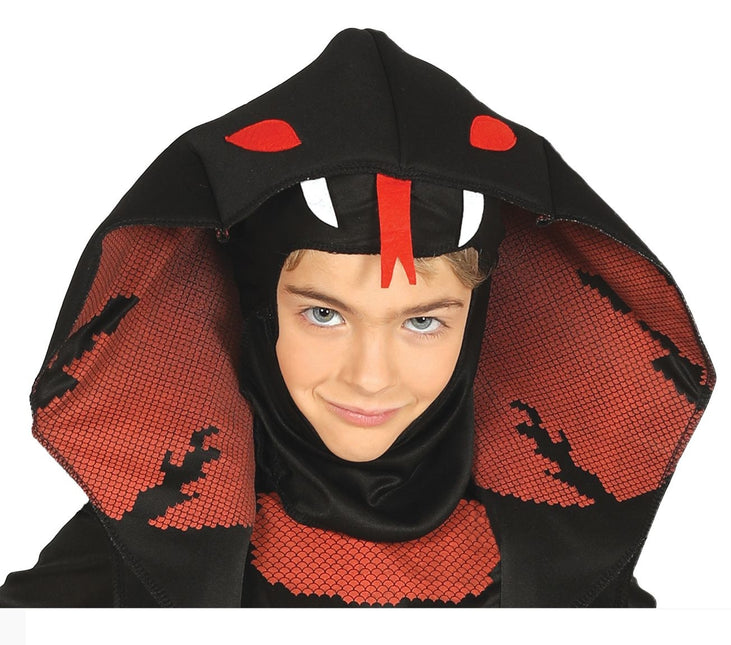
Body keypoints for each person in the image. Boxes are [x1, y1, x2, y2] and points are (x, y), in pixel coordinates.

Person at [0, 28, 714, 607]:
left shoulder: (572, 577)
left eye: (423, 322)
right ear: (257, 306)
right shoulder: (132, 567)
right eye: (323, 314)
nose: (371, 377)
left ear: (478, 320)